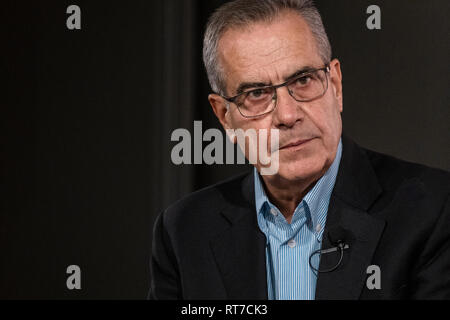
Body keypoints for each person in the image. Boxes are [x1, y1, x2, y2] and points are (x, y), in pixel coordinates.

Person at [149, 0, 450, 299]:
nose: (288, 115)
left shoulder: (434, 210)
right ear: (224, 116)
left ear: (335, 84)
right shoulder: (184, 232)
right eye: (256, 94)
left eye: (303, 80)